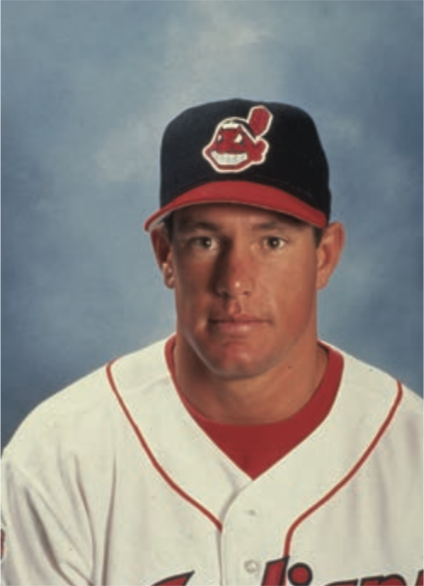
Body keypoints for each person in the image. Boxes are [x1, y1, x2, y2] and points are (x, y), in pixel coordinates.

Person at [1, 98, 422, 586]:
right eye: (205, 241)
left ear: (324, 257)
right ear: (165, 255)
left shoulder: (413, 452)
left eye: (272, 242)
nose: (236, 280)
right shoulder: (59, 455)